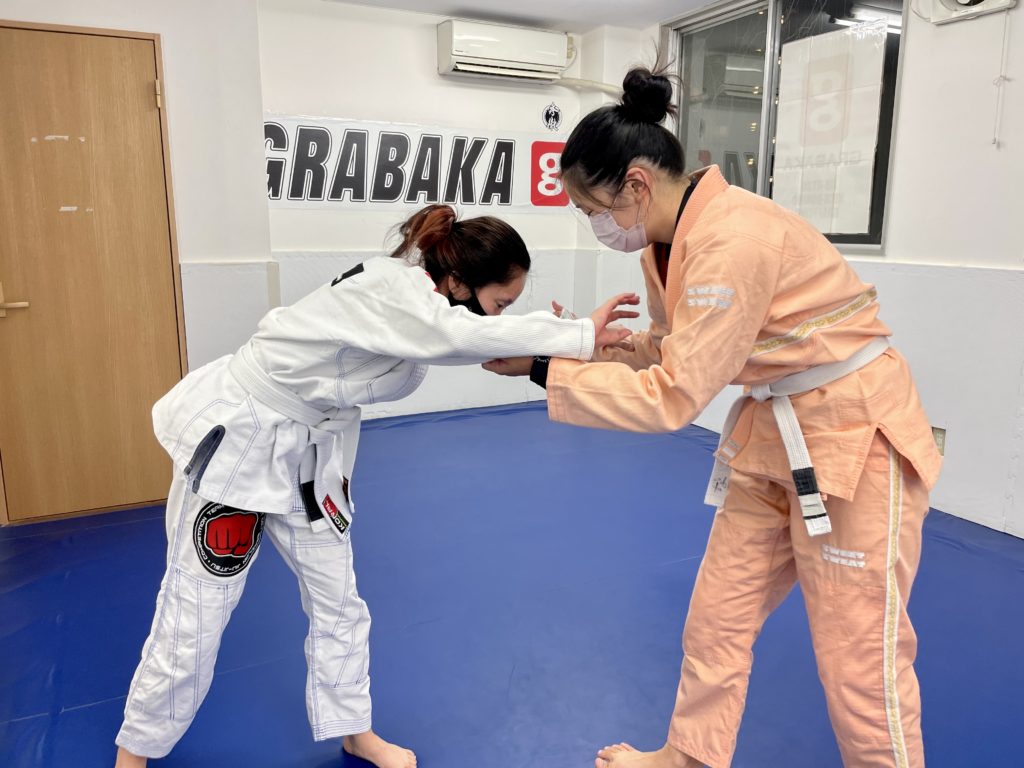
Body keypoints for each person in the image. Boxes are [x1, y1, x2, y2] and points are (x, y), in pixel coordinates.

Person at [485, 66, 942, 768]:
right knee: (716, 619)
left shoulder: (734, 240)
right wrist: (578, 346)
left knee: (859, 656)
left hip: (854, 432)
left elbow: (673, 395)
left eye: (590, 208)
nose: (594, 225)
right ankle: (689, 757)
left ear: (636, 185)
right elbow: (670, 349)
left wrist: (550, 372)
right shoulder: (667, 243)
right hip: (773, 431)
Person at [113, 203, 639, 768]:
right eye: (500, 303)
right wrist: (577, 333)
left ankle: (352, 729)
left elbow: (461, 336)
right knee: (197, 608)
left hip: (309, 457)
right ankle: (134, 751)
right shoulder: (397, 292)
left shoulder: (425, 307)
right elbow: (456, 333)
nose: (498, 315)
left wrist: (562, 344)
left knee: (340, 603)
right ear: (458, 281)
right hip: (243, 443)